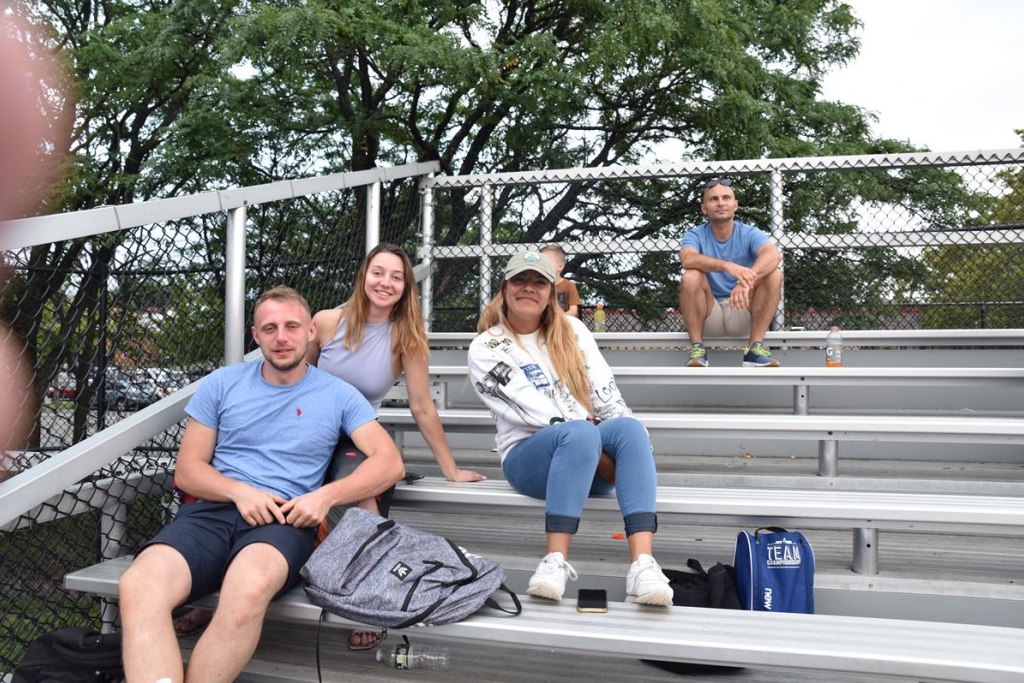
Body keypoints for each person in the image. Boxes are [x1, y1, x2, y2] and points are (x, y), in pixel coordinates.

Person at [119, 286, 405, 683]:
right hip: (210, 513)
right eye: (269, 328)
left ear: (311, 332)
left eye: (292, 326)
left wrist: (325, 497)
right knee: (138, 584)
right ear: (256, 336)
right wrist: (240, 491)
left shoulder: (339, 394)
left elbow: (390, 463)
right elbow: (188, 471)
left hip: (283, 522)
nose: (281, 337)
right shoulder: (222, 383)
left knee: (248, 588)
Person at [306, 242, 486, 650]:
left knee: (363, 489)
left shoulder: (406, 337)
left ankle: (367, 602)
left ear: (406, 287)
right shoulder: (327, 321)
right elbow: (300, 379)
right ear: (363, 276)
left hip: (357, 436)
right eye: (378, 272)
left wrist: (451, 469)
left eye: (396, 277)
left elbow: (421, 405)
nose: (385, 282)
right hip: (311, 429)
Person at [468, 250, 673, 605]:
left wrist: (629, 455)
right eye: (519, 280)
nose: (528, 288)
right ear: (504, 288)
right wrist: (606, 460)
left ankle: (643, 565)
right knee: (579, 432)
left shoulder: (574, 330)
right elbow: (536, 413)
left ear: (551, 292)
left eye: (539, 282)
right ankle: (554, 562)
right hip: (529, 461)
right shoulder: (487, 346)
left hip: (587, 456)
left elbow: (607, 395)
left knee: (630, 429)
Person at [678, 178, 783, 367]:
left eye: (726, 198)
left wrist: (744, 281)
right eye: (714, 199)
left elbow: (773, 255)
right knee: (691, 276)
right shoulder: (695, 234)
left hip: (743, 309)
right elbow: (688, 259)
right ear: (704, 208)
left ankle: (754, 349)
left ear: (735, 205)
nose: (720, 203)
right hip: (709, 314)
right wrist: (727, 266)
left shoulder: (748, 232)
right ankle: (698, 350)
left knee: (774, 274)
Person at [539, 244, 581, 317]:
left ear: (560, 266)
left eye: (546, 262)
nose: (542, 266)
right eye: (540, 263)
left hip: (563, 320)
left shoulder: (569, 285)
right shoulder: (538, 286)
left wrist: (559, 319)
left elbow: (573, 310)